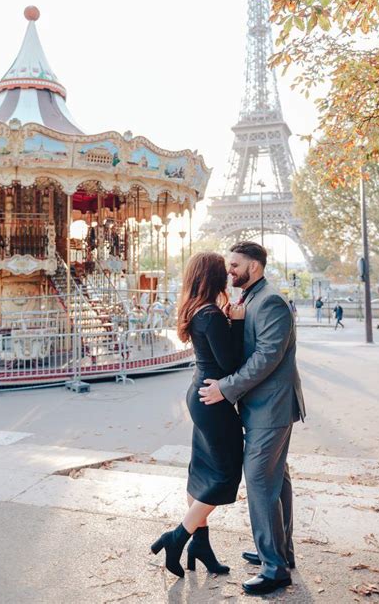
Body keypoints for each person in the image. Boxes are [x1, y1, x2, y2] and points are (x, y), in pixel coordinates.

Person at [199, 241, 306, 596]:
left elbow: (267, 357)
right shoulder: (252, 298)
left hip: (271, 407)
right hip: (263, 405)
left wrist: (225, 388)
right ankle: (279, 552)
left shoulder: (270, 300)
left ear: (254, 267)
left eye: (234, 266)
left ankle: (274, 568)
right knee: (278, 480)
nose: (228, 271)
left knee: (260, 480)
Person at [151, 252, 245, 577]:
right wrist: (239, 321)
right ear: (214, 277)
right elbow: (231, 363)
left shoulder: (196, 309)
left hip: (199, 395)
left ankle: (201, 545)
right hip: (213, 401)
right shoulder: (212, 315)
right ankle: (177, 537)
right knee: (225, 474)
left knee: (202, 471)